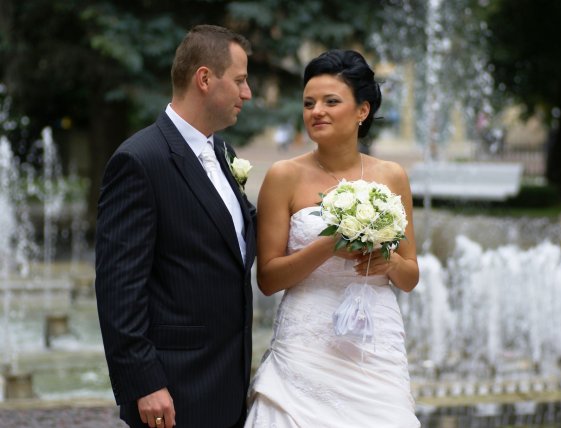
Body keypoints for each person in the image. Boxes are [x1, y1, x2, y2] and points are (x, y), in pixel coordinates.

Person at [245, 49, 420, 427]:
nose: (316, 111)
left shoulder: (391, 176)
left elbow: (410, 277)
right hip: (305, 343)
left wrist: (388, 261)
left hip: (374, 343)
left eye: (331, 101)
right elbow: (268, 279)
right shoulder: (283, 176)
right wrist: (330, 244)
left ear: (362, 111)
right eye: (309, 103)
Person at [95, 25, 256, 428]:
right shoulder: (139, 160)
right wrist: (144, 383)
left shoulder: (223, 151)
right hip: (174, 389)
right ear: (204, 78)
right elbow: (118, 287)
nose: (248, 93)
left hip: (227, 383)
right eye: (239, 80)